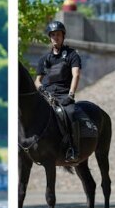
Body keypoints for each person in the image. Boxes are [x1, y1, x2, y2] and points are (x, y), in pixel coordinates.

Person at [35, 20, 82, 162]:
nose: (56, 37)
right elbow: (37, 80)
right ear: (50, 37)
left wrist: (71, 94)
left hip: (63, 94)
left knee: (71, 112)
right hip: (47, 94)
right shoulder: (44, 59)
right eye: (53, 35)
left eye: (59, 35)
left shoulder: (72, 55)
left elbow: (76, 75)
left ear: (63, 36)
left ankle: (73, 149)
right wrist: (41, 88)